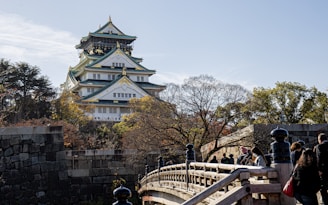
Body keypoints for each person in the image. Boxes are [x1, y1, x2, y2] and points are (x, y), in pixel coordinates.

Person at [313, 133, 328, 205]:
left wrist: (319, 170)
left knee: (323, 187)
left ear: (319, 140)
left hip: (324, 170)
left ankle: (325, 202)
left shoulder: (319, 146)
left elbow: (319, 159)